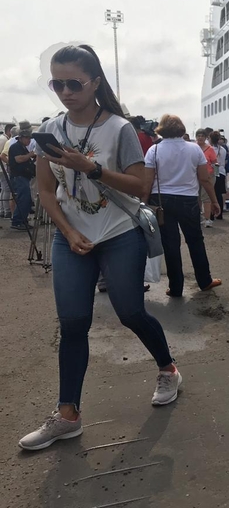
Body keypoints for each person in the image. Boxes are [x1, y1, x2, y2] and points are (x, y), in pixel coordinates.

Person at [19, 45, 182, 451]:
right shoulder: (50, 129)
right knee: (73, 322)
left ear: (94, 83)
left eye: (74, 83)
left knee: (130, 311)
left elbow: (141, 187)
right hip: (70, 236)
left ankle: (168, 369)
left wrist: (89, 167)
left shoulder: (120, 129)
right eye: (58, 83)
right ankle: (68, 414)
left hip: (118, 233)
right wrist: (67, 232)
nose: (65, 91)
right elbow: (45, 189)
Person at [143, 116, 222, 297]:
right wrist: (214, 200)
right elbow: (204, 179)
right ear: (181, 129)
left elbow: (148, 180)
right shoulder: (194, 149)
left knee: (170, 245)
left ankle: (176, 287)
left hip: (161, 201)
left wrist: (143, 203)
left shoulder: (153, 150)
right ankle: (204, 280)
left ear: (161, 129)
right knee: (195, 241)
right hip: (188, 199)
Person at [8, 124, 36, 231]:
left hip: (24, 176)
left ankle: (22, 220)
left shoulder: (23, 148)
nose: (29, 140)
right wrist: (31, 154)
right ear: (21, 138)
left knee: (26, 199)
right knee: (23, 199)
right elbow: (18, 159)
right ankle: (17, 221)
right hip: (18, 176)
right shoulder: (15, 147)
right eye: (27, 138)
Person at [195, 129, 218, 228]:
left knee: (206, 197)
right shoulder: (194, 147)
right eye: (198, 136)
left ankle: (207, 219)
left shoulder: (210, 149)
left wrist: (215, 175)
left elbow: (215, 162)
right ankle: (198, 217)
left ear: (205, 137)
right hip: (195, 175)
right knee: (196, 197)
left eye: (202, 136)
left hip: (208, 175)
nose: (200, 137)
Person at [210, 130, 228, 220]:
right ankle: (220, 214)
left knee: (211, 193)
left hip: (213, 171)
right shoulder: (223, 149)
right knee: (219, 193)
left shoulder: (210, 149)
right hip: (221, 171)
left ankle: (211, 214)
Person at [0, 123, 14, 219]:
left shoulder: (3, 138)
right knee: (6, 189)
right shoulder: (4, 140)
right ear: (9, 131)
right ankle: (6, 210)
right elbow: (2, 155)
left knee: (4, 189)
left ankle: (2, 210)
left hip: (2, 167)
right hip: (2, 168)